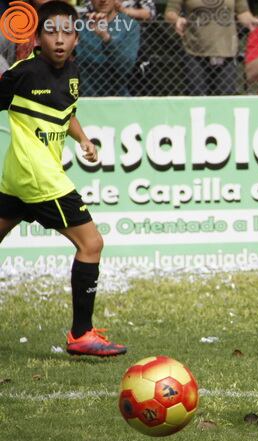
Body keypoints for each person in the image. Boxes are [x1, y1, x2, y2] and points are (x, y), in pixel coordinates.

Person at [0, 1, 127, 358]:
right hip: (41, 180)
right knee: (92, 244)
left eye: (66, 32)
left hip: (15, 181)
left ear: (76, 39)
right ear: (37, 38)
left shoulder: (72, 73)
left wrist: (83, 139)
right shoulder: (23, 72)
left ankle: (82, 333)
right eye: (50, 31)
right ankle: (81, 334)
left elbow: (66, 112)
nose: (59, 39)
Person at [165, 0, 258, 95]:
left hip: (226, 52)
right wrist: (177, 19)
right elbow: (170, 12)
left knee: (225, 98)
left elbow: (243, 12)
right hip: (195, 52)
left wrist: (251, 21)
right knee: (197, 98)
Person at [75, 0, 140, 96]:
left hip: (117, 98)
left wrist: (106, 38)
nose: (103, 0)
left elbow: (126, 66)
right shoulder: (78, 25)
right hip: (84, 97)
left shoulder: (130, 26)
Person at [82, 0, 155, 21]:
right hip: (98, 27)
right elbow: (88, 7)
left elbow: (150, 13)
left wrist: (122, 9)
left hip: (130, 30)